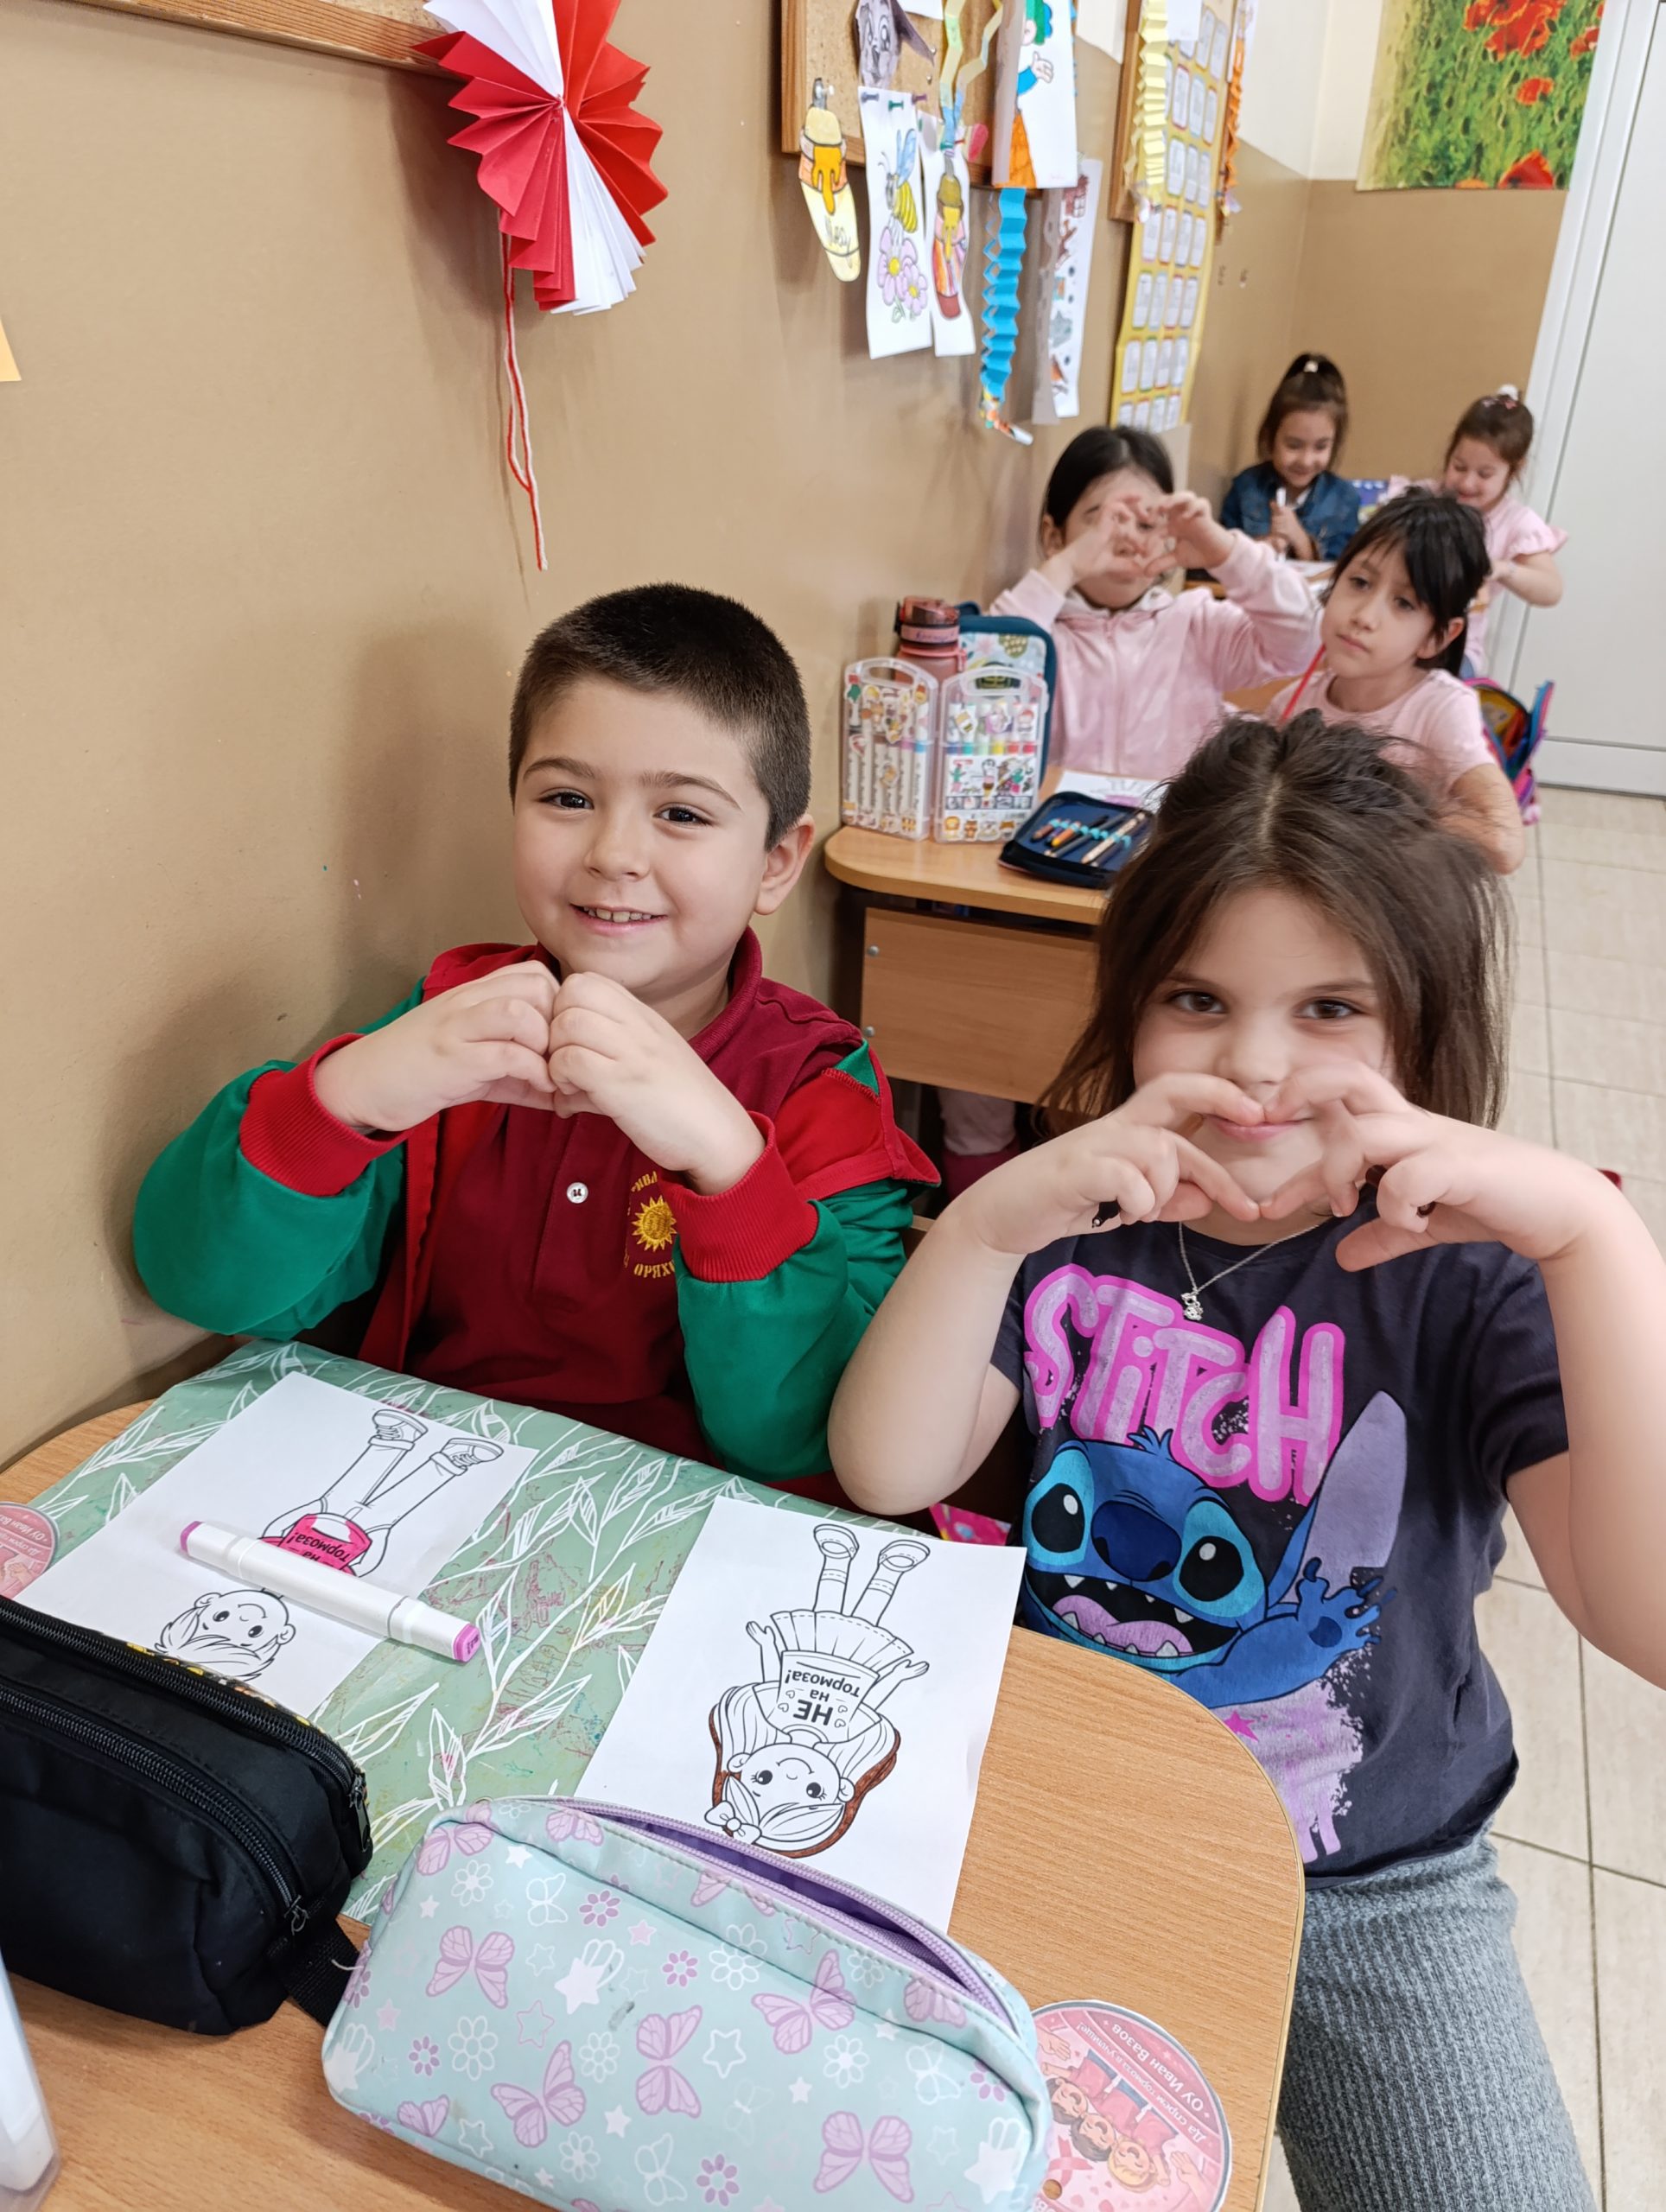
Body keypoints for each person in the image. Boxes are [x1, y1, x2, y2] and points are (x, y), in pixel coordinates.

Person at [832, 715, 1666, 2210]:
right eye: (1197, 999)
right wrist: (986, 1222)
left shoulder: (1473, 1280)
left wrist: (1596, 1240)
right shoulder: (1078, 1219)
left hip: (1374, 1877)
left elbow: (1646, 1618)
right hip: (1063, 1816)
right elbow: (888, 1469)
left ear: (1421, 1027)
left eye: (1330, 1007)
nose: (1258, 1066)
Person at [135, 584, 933, 1494]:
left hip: (682, 1531)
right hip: (418, 1488)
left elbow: (806, 1441)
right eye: (566, 796)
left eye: (681, 813)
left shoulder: (820, 1088)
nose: (613, 854)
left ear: (775, 863)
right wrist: (348, 1094)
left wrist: (726, 1163)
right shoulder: (449, 1025)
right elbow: (203, 1287)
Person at [940, 427, 1320, 1196]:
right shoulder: (1036, 626)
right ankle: (978, 1187)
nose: (1124, 539)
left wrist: (1218, 547)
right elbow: (981, 664)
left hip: (1159, 888)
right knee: (973, 1024)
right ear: (1054, 533)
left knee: (1130, 1056)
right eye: (1099, 520)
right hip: (1031, 882)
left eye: (1144, 521)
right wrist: (1064, 569)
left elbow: (1298, 637)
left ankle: (1124, 1196)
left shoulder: (1196, 623)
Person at [1273, 490, 1524, 873]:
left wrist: (1384, 804)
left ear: (1437, 638)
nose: (1364, 616)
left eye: (1404, 603)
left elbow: (1503, 843)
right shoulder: (1290, 705)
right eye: (1360, 582)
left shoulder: (1441, 708)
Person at [1396, 386, 1565, 673]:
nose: (1467, 483)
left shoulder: (1516, 521)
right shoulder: (1425, 497)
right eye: (1459, 467)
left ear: (1513, 471)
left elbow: (1551, 590)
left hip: (1456, 648)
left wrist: (1502, 568)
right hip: (1399, 631)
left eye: (1484, 474)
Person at [1221, 353, 1360, 563]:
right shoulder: (1246, 487)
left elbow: (1340, 573)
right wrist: (1261, 548)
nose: (1306, 460)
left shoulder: (1344, 499)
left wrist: (1302, 542)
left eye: (1321, 447)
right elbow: (1220, 556)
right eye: (1294, 446)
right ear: (1270, 438)